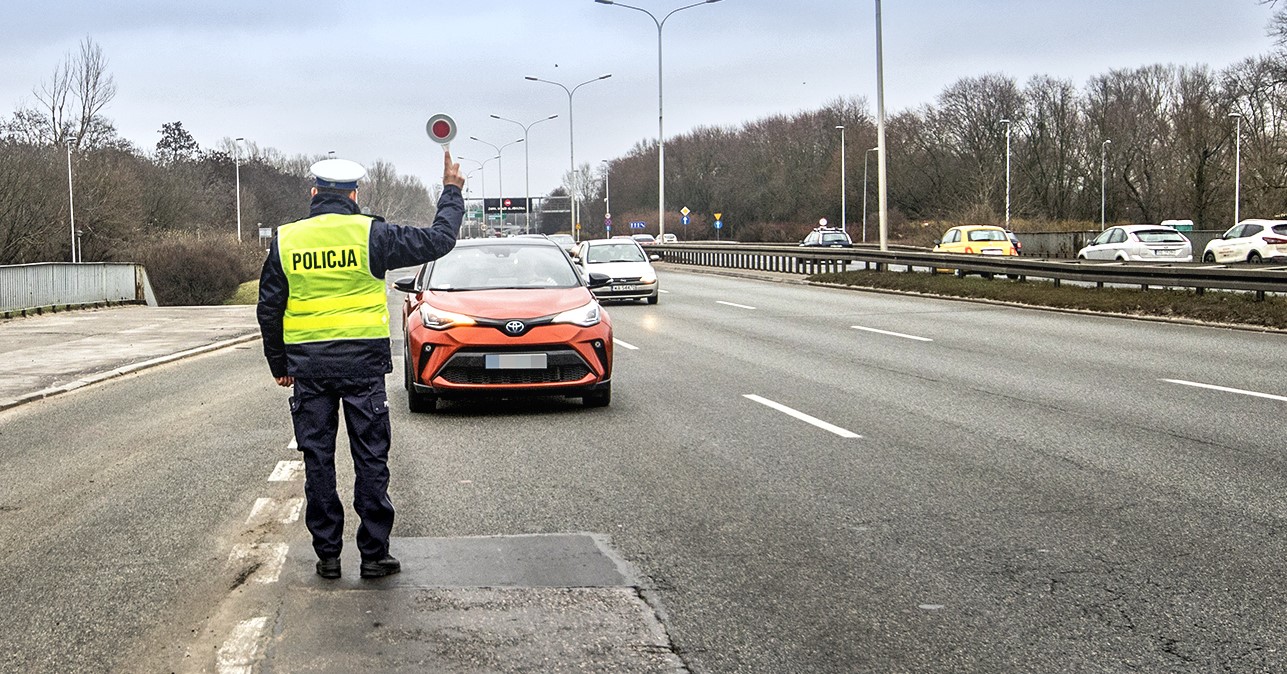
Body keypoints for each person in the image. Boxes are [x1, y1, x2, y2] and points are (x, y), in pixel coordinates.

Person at [257, 151, 465, 579]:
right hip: (362, 367)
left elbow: (268, 307)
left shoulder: (288, 240)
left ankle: (328, 556)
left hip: (309, 368)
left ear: (314, 193)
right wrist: (451, 192)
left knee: (317, 460)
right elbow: (440, 240)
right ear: (354, 194)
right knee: (370, 458)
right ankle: (373, 555)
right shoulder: (373, 235)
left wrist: (280, 362)